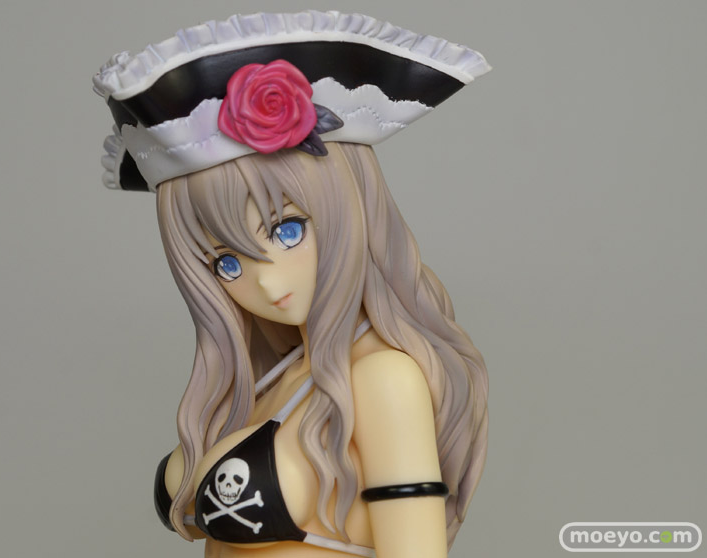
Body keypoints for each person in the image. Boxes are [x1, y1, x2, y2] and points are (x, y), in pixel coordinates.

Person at [93, 11, 490, 558]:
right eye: (226, 263)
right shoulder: (274, 376)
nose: (266, 281)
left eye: (287, 231)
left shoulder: (383, 378)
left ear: (350, 210)